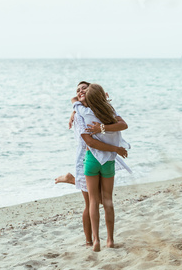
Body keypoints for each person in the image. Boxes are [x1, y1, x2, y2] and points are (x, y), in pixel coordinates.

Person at [55, 81, 130, 247]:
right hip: (88, 156)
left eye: (84, 89)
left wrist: (101, 127)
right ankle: (92, 241)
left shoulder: (92, 110)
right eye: (78, 90)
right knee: (94, 201)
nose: (81, 91)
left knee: (97, 200)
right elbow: (89, 140)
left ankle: (97, 240)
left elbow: (121, 124)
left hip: (97, 156)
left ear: (91, 94)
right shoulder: (82, 112)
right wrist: (74, 110)